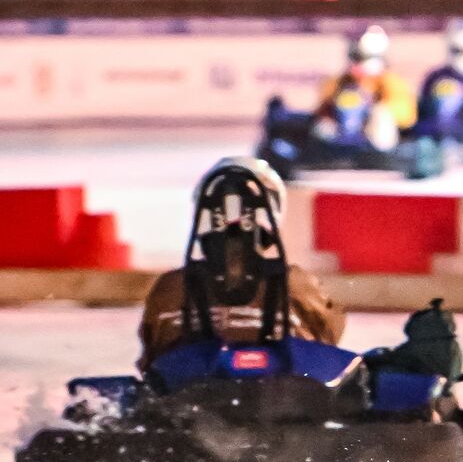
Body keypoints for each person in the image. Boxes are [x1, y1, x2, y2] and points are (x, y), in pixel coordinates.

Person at [137, 156, 344, 373]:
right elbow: (328, 345)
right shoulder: (299, 285)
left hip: (194, 396)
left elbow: (150, 360)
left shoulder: (170, 288)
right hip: (284, 396)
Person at [315, 25, 417, 150]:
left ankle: (378, 155)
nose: (357, 65)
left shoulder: (390, 82)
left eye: (361, 59)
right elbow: (322, 110)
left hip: (374, 140)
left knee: (381, 115)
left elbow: (406, 115)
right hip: (341, 135)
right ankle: (328, 153)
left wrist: (374, 109)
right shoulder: (340, 82)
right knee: (322, 127)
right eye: (356, 58)